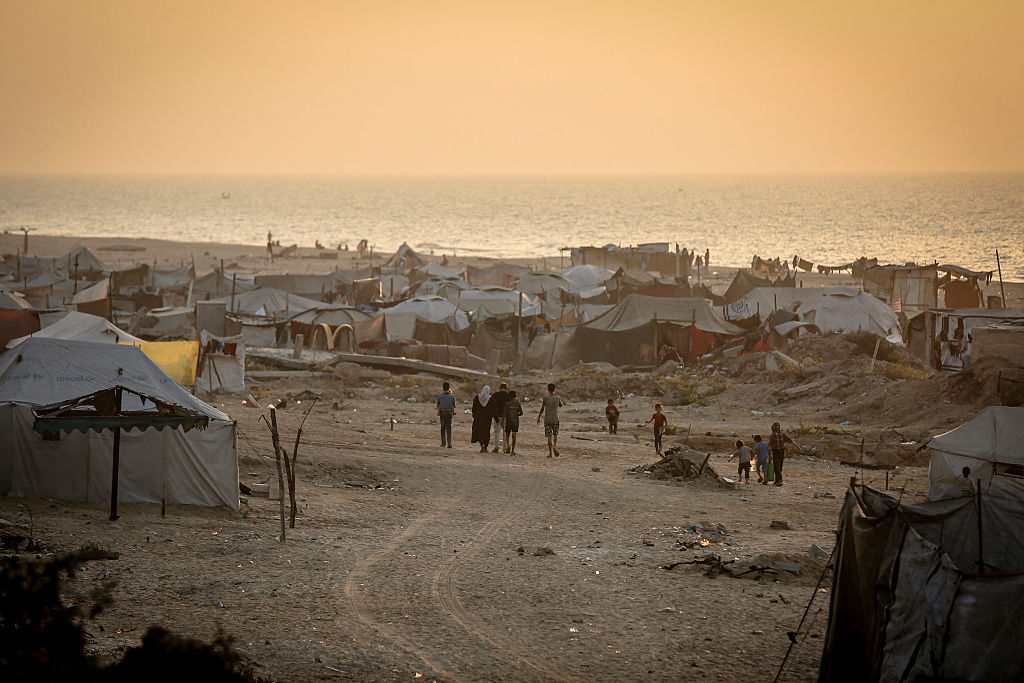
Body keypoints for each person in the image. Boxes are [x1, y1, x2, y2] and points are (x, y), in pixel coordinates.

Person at [768, 422, 802, 486]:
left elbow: (770, 445)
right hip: (782, 451)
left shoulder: (772, 435)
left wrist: (769, 454)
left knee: (776, 466)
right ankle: (777, 480)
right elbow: (790, 441)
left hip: (775, 451)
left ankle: (779, 479)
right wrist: (797, 447)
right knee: (780, 466)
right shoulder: (783, 434)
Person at [537, 383, 563, 458]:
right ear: (554, 389)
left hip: (547, 419)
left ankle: (550, 453)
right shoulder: (557, 397)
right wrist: (558, 397)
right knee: (555, 435)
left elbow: (542, 409)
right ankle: (554, 446)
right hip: (555, 418)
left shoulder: (545, 398)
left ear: (548, 389)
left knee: (549, 436)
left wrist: (539, 417)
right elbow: (561, 405)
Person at [490, 382, 510, 453]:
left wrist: (494, 416)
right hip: (506, 417)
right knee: (505, 432)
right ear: (506, 388)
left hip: (497, 416)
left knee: (497, 432)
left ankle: (496, 447)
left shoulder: (495, 395)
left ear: (500, 388)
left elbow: (492, 406)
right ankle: (505, 448)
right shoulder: (508, 396)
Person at [471, 385, 492, 453]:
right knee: (486, 432)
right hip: (487, 419)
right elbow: (493, 408)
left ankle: (481, 444)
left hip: (478, 418)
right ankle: (485, 446)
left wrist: (474, 415)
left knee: (479, 431)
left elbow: (474, 407)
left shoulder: (477, 397)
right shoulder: (490, 398)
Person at [436, 381, 455, 448]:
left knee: (443, 427)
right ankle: (449, 442)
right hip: (449, 412)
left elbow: (438, 405)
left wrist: (438, 412)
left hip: (442, 412)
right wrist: (453, 412)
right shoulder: (452, 396)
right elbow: (452, 405)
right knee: (449, 428)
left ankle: (443, 443)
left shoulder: (440, 396)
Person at [503, 390, 523, 455]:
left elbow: (505, 414)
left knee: (507, 435)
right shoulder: (517, 404)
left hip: (509, 421)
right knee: (514, 436)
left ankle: (508, 445)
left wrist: (503, 421)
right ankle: (513, 451)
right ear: (515, 396)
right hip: (515, 422)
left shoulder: (507, 404)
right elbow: (521, 413)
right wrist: (516, 414)